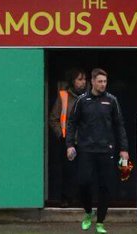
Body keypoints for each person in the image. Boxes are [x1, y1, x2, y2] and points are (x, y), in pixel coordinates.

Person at [66, 68, 129, 233]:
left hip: (106, 150)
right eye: (100, 81)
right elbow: (71, 123)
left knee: (105, 187)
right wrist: (70, 145)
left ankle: (100, 222)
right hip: (86, 149)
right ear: (92, 82)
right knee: (83, 183)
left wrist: (124, 149)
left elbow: (119, 125)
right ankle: (88, 212)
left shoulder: (112, 100)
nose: (103, 85)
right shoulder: (82, 100)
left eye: (105, 82)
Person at [48, 69, 87, 206]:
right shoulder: (63, 96)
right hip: (68, 142)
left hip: (86, 142)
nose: (83, 82)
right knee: (68, 172)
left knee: (85, 172)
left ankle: (83, 200)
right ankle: (66, 199)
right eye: (79, 79)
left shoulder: (90, 97)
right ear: (73, 81)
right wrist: (61, 135)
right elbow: (53, 118)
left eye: (84, 79)